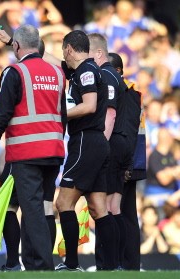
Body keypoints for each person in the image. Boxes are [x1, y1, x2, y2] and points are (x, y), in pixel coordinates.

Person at [0, 24, 66, 270]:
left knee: (30, 209)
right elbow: (63, 116)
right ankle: (32, 263)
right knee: (44, 206)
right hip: (53, 150)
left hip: (26, 152)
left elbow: (1, 115)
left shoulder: (15, 72)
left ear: (16, 46)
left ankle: (41, 265)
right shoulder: (57, 73)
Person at [55, 30, 119, 271]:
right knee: (98, 208)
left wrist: (58, 115)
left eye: (64, 50)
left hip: (85, 142)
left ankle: (71, 265)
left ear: (70, 49)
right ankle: (112, 268)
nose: (63, 55)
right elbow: (51, 60)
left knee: (63, 203)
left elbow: (89, 106)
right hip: (96, 144)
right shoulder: (85, 70)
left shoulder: (86, 71)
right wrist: (12, 43)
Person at [88, 33, 131, 270]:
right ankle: (116, 264)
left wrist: (99, 146)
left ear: (98, 54)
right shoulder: (115, 76)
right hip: (121, 143)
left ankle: (110, 264)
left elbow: (110, 114)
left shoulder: (105, 74)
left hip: (111, 143)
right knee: (113, 208)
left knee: (105, 209)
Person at [108, 52, 146, 270]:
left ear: (119, 71)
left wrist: (129, 165)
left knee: (125, 213)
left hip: (127, 163)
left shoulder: (129, 93)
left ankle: (128, 264)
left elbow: (130, 132)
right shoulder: (127, 92)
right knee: (120, 210)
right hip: (127, 161)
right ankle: (121, 262)